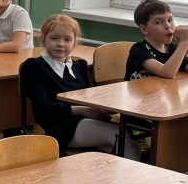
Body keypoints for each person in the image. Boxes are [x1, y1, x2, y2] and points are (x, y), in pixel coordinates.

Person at [21, 14, 134, 157]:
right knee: (120, 136)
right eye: (54, 38)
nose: (60, 44)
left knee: (125, 139)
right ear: (43, 40)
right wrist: (83, 111)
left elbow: (89, 98)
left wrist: (100, 110)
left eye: (67, 40)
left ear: (74, 43)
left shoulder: (79, 65)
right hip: (60, 128)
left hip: (85, 122)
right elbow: (43, 110)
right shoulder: (34, 66)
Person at [125, 0, 188, 80]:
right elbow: (167, 72)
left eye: (170, 20)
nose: (168, 26)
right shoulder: (139, 51)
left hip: (160, 88)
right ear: (144, 29)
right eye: (159, 22)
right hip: (139, 89)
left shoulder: (172, 49)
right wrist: (184, 42)